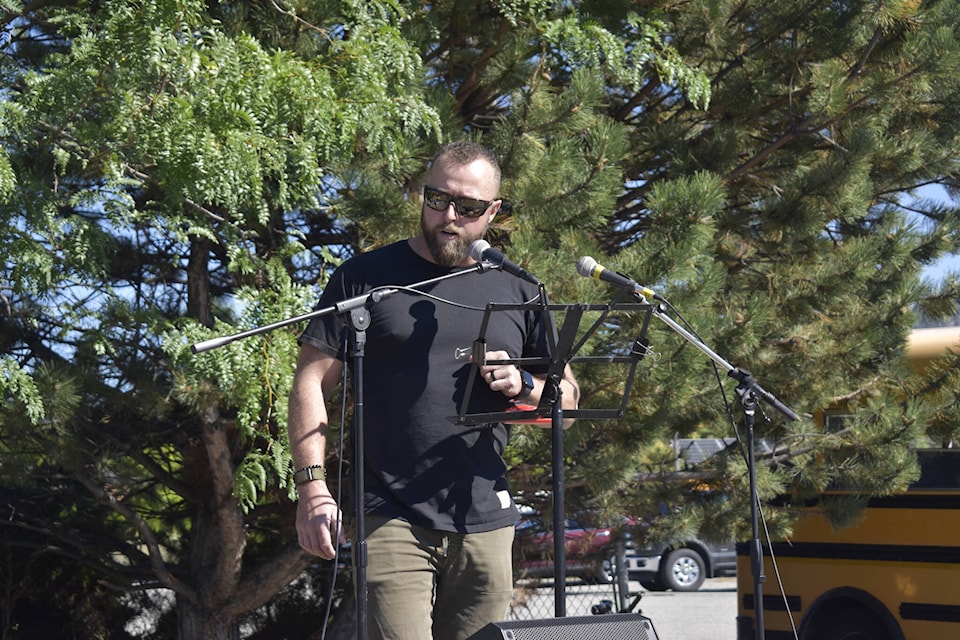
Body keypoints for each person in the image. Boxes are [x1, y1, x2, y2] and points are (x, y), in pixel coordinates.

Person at [287, 141, 579, 640]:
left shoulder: (520, 289)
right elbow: (310, 382)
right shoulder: (364, 277)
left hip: (484, 512)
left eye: (466, 208)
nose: (448, 216)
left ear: (492, 212)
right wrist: (312, 487)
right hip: (389, 511)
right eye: (436, 198)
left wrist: (526, 385)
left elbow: (567, 405)